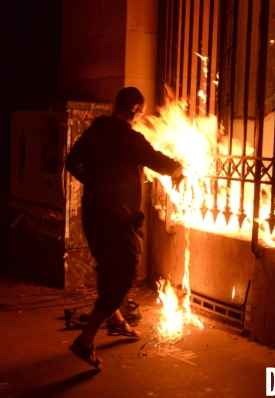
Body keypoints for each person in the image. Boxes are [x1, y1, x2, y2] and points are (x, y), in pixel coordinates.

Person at [65, 87, 183, 367]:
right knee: (128, 268)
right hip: (116, 218)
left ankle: (116, 321)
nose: (139, 116)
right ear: (133, 109)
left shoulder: (95, 132)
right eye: (140, 112)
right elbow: (159, 162)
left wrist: (94, 185)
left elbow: (71, 162)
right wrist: (179, 168)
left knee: (108, 267)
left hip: (93, 214)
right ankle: (85, 340)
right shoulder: (130, 139)